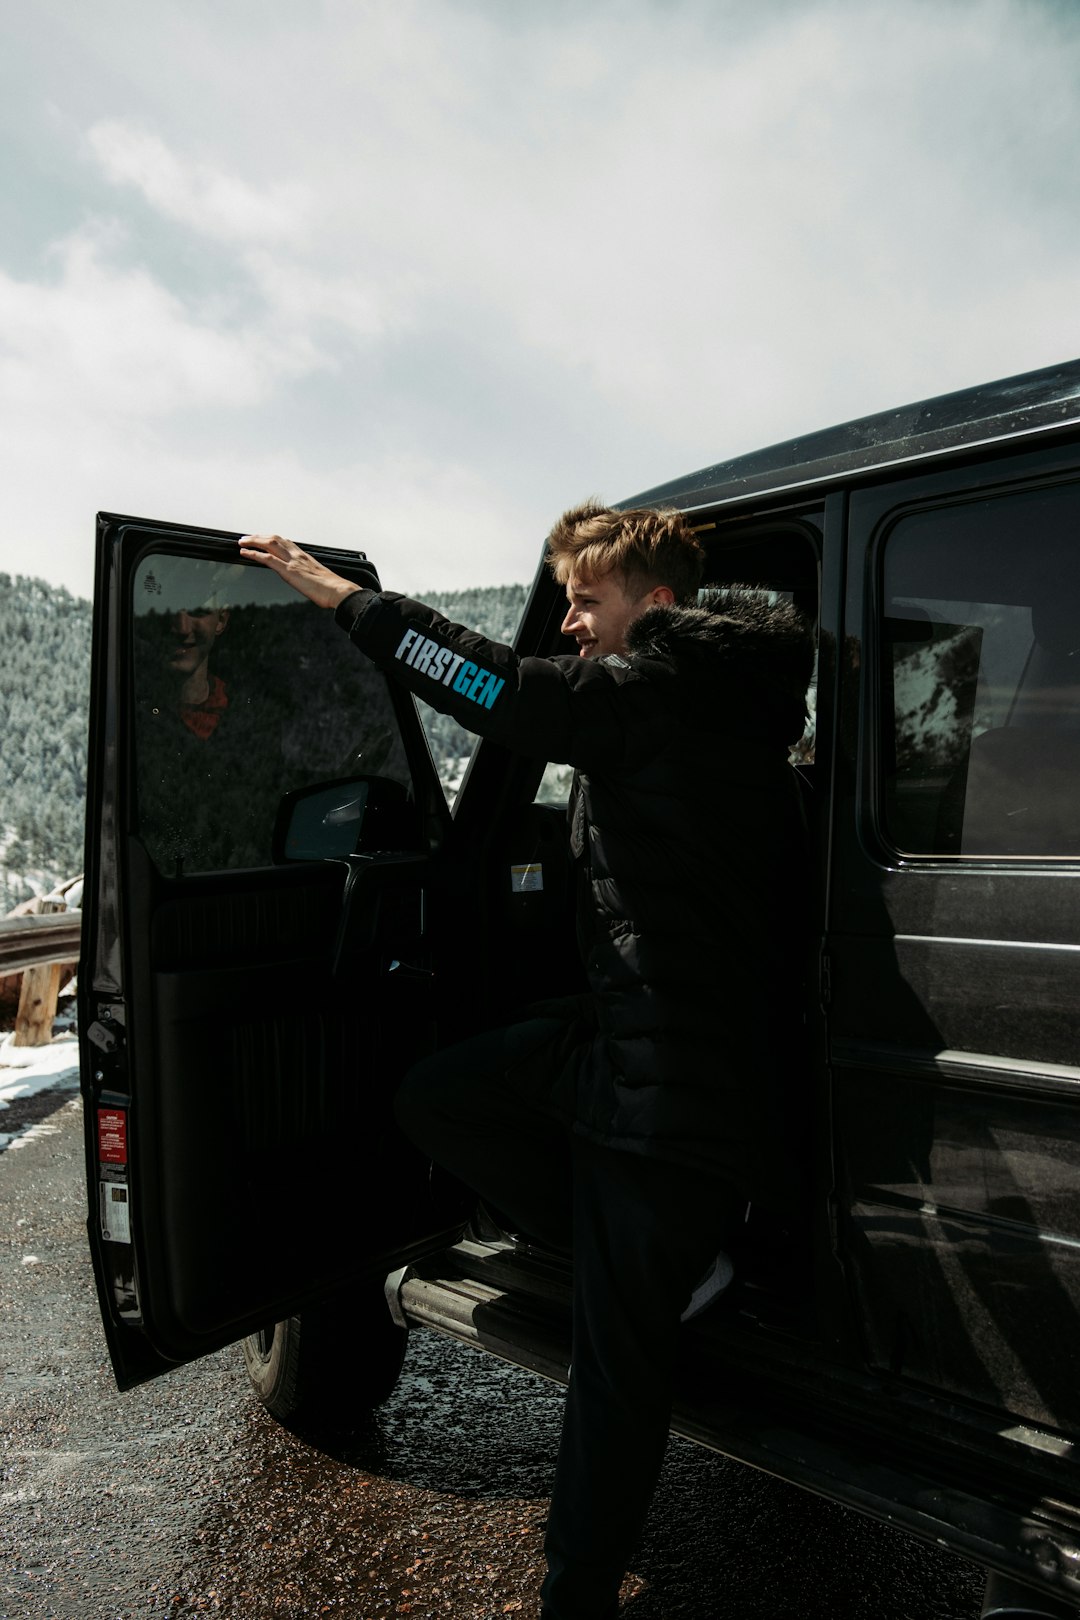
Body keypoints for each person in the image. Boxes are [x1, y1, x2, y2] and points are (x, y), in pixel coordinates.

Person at [239, 505, 814, 1619]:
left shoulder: (650, 694)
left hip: (678, 1097)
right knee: (443, 1095)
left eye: (585, 602)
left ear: (655, 604)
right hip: (635, 1047)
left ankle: (575, 1596)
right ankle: (656, 1257)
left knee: (615, 1369)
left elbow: (491, 685)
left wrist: (339, 596)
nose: (570, 623)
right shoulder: (719, 708)